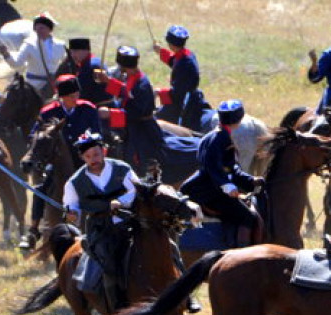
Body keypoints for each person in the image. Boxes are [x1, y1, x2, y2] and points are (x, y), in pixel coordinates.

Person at [19, 74, 103, 250]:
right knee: (41, 187)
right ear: (61, 97)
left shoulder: (88, 109)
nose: (76, 99)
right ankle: (34, 229)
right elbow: (35, 135)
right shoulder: (48, 112)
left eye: (77, 95)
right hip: (56, 160)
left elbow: (97, 134)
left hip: (84, 158)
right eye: (71, 96)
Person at [62, 130, 137, 315]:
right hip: (101, 230)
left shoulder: (123, 168)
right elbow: (72, 209)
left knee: (166, 243)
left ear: (104, 151)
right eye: (88, 156)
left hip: (129, 221)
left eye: (96, 154)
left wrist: (122, 201)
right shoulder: (74, 183)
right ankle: (118, 312)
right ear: (82, 158)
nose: (93, 159)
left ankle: (184, 297)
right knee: (109, 263)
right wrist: (71, 215)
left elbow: (137, 190)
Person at [180, 100, 264, 249]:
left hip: (211, 186)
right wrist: (227, 186)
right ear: (239, 119)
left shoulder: (218, 135)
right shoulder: (221, 138)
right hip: (207, 191)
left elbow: (231, 168)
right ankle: (239, 251)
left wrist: (251, 180)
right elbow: (213, 167)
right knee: (247, 216)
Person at [95, 45, 167, 176]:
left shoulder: (142, 84)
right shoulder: (132, 77)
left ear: (122, 66)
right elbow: (125, 92)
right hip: (132, 124)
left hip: (141, 129)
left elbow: (136, 114)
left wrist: (110, 114)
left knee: (134, 160)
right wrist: (107, 81)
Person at [154, 25, 212, 131]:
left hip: (184, 100)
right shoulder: (186, 55)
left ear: (171, 44)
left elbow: (177, 94)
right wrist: (161, 52)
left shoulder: (184, 63)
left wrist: (159, 92)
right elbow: (174, 61)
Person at [0, 12, 65, 98]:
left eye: (42, 28)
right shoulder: (29, 44)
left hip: (53, 86)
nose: (39, 31)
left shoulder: (60, 45)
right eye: (37, 28)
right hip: (33, 87)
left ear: (49, 29)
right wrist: (6, 54)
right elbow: (17, 63)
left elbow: (65, 64)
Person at [54, 37, 112, 106]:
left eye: (75, 51)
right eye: (71, 52)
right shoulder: (90, 63)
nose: (73, 55)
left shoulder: (92, 66)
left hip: (100, 108)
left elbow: (82, 90)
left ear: (86, 51)